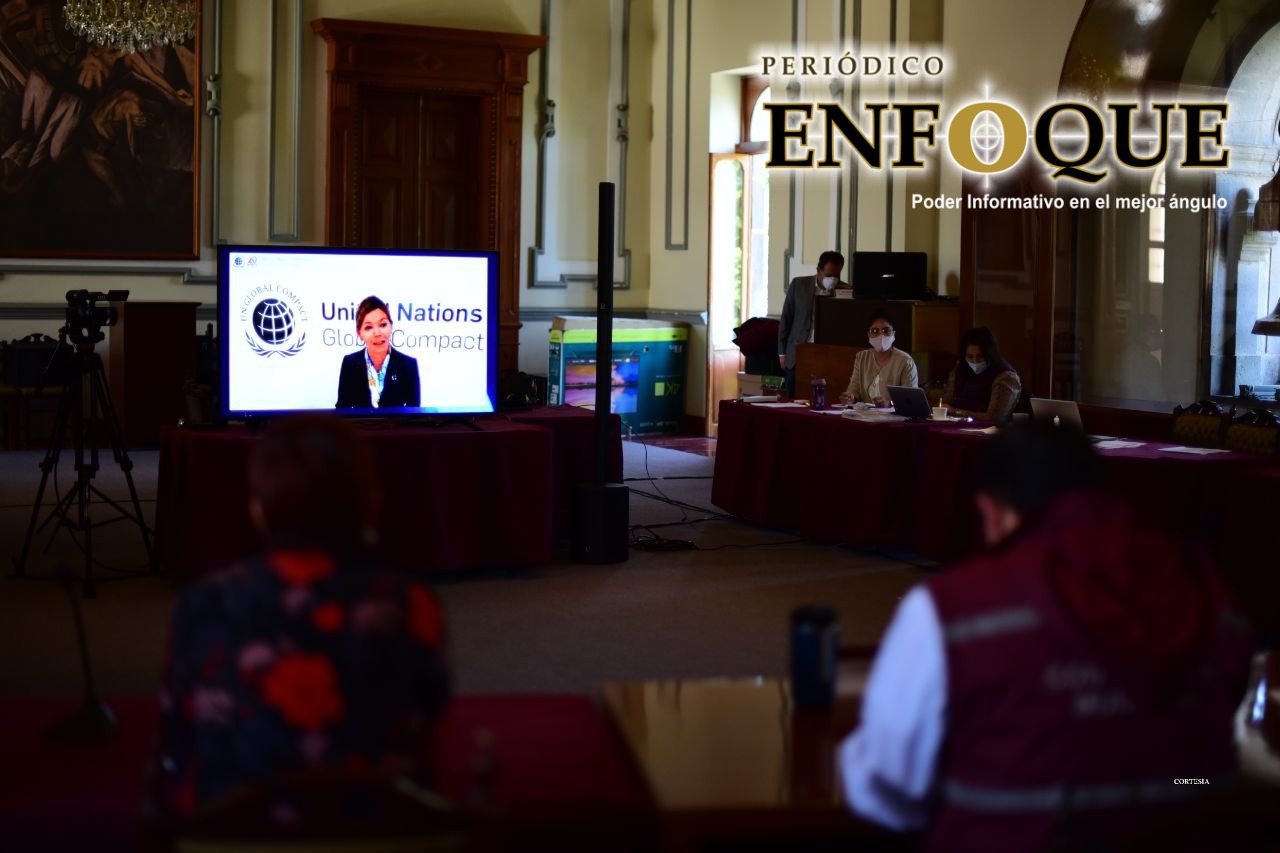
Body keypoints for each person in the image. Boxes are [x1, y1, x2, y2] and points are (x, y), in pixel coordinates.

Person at [837, 421, 1253, 852]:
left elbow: (888, 785)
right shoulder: (1208, 588)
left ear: (993, 512)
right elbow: (1223, 729)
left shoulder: (949, 609)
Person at [154, 415, 451, 818]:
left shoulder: (205, 602)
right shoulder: (410, 604)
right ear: (371, 503)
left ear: (258, 509)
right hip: (379, 831)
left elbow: (177, 734)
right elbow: (428, 728)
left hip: (231, 835)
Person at [778, 250, 847, 397]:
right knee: (793, 399)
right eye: (828, 275)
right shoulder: (798, 285)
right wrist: (782, 353)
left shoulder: (846, 290)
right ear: (818, 271)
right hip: (797, 354)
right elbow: (786, 319)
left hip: (827, 355)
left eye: (837, 275)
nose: (833, 279)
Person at [336, 296, 421, 408]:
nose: (377, 333)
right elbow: (342, 410)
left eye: (383, 325)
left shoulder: (409, 365)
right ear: (359, 333)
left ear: (391, 326)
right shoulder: (349, 363)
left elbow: (415, 416)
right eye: (368, 327)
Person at [940, 326, 1022, 421]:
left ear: (990, 354)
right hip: (955, 425)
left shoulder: (1005, 376)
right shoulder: (960, 368)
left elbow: (995, 417)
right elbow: (946, 403)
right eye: (970, 357)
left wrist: (956, 411)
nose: (975, 361)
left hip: (986, 431)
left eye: (980, 356)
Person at [838, 314, 919, 406]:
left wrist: (889, 403)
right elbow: (854, 390)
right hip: (865, 416)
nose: (881, 335)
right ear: (868, 334)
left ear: (893, 334)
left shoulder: (905, 361)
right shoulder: (862, 357)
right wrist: (850, 398)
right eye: (875, 331)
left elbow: (911, 399)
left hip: (894, 417)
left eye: (886, 330)